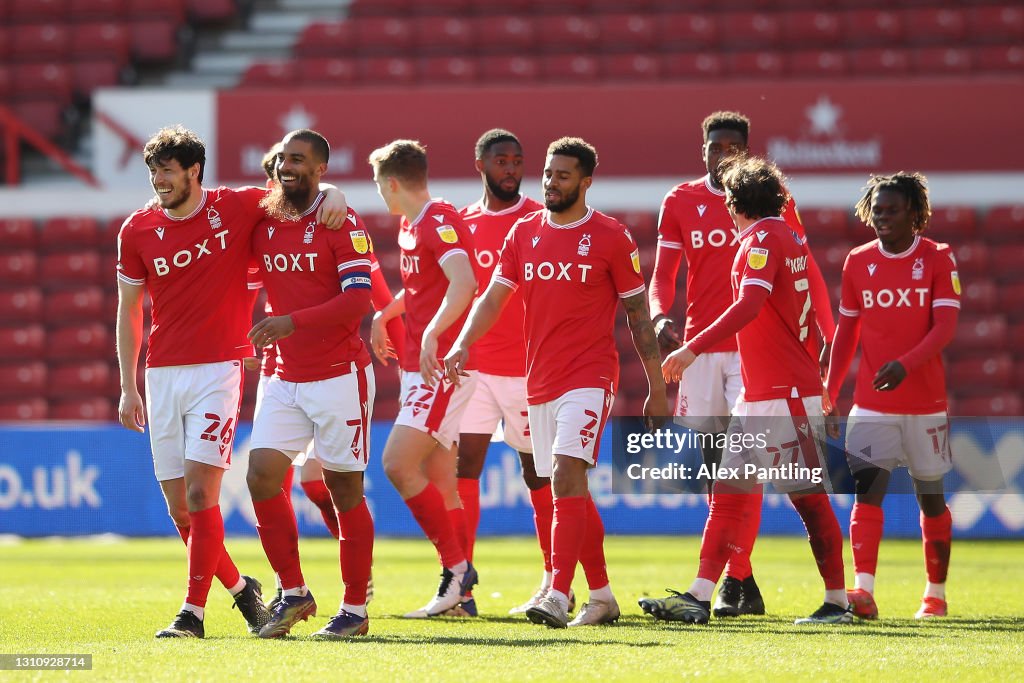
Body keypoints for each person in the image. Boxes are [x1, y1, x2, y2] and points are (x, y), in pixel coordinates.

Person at [115, 125, 348, 639]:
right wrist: (129, 386)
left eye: (168, 171)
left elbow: (297, 192)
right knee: (181, 509)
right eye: (153, 171)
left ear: (193, 170)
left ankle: (191, 615)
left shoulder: (236, 206)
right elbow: (129, 310)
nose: (159, 181)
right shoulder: (136, 230)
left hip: (218, 370)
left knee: (202, 495)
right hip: (160, 376)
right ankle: (242, 588)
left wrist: (334, 192)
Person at [445, 137, 670, 628]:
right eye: (548, 174)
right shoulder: (523, 234)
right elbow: (492, 299)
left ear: (586, 182)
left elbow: (637, 315)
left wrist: (655, 385)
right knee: (570, 492)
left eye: (562, 176)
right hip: (539, 379)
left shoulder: (612, 236)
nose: (550, 183)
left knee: (567, 475)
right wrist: (463, 341)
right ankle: (604, 595)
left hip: (590, 376)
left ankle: (558, 593)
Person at [643, 155, 851, 626]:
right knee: (729, 492)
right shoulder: (790, 235)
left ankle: (837, 601)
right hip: (766, 390)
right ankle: (698, 594)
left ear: (735, 204)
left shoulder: (761, 240)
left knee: (807, 497)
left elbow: (749, 304)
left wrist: (691, 348)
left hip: (783, 392)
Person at [253, 143, 404, 611]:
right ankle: (294, 593)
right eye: (282, 161)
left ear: (320, 169)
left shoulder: (341, 219)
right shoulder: (260, 218)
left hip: (339, 375)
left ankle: (355, 608)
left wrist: (290, 322)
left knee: (343, 489)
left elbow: (359, 300)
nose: (286, 167)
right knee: (261, 477)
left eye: (298, 160)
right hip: (282, 375)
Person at [825, 172, 959, 620]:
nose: (882, 217)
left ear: (914, 213)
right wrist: (830, 389)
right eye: (877, 210)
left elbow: (945, 328)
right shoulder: (857, 261)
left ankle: (935, 594)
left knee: (931, 499)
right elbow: (846, 333)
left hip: (925, 405)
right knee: (868, 493)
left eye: (892, 210)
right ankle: (863, 593)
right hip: (872, 403)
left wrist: (906, 364)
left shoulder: (939, 258)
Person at [454, 129, 567, 617]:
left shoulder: (538, 221)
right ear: (479, 163)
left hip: (524, 371)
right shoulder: (461, 222)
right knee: (463, 470)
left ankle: (553, 582)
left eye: (518, 161)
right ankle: (461, 588)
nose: (511, 169)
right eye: (501, 160)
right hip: (474, 370)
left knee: (538, 475)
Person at [367, 139, 479, 618]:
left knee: (396, 464)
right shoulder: (411, 224)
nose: (379, 194)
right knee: (441, 482)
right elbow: (422, 288)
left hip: (441, 371)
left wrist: (433, 332)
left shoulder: (439, 219)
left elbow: (465, 281)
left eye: (379, 185)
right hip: (419, 369)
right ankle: (462, 597)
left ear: (392, 182)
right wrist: (386, 313)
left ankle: (457, 570)